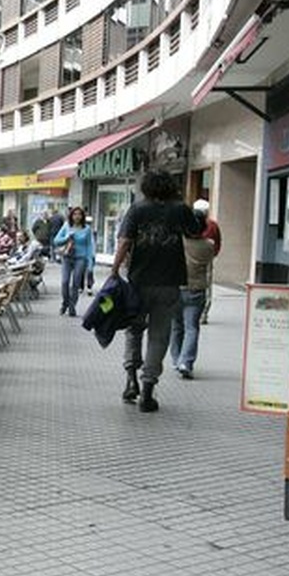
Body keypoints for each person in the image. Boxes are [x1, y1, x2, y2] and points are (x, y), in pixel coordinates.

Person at [111, 170, 204, 412]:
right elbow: (195, 231)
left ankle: (131, 380)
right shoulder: (180, 209)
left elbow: (124, 242)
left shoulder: (137, 209)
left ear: (147, 187)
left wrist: (114, 271)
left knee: (134, 330)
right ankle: (148, 390)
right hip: (169, 282)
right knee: (159, 336)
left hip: (138, 281)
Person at [169, 210, 217, 379]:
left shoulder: (178, 242)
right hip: (197, 290)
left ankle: (176, 359)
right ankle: (186, 362)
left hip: (177, 288)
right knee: (192, 327)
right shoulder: (209, 245)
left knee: (176, 326)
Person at [52, 207, 95, 317]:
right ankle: (65, 302)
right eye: (75, 214)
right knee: (65, 282)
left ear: (82, 216)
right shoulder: (67, 226)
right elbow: (56, 241)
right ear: (71, 215)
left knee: (76, 283)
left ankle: (72, 306)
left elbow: (90, 247)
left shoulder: (87, 229)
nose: (77, 216)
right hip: (67, 257)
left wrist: (90, 264)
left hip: (81, 258)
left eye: (79, 214)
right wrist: (66, 237)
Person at [193, 199, 223, 324]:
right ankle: (203, 313)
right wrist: (213, 255)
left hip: (189, 257)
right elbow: (218, 242)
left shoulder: (190, 224)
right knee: (206, 284)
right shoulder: (213, 225)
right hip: (207, 259)